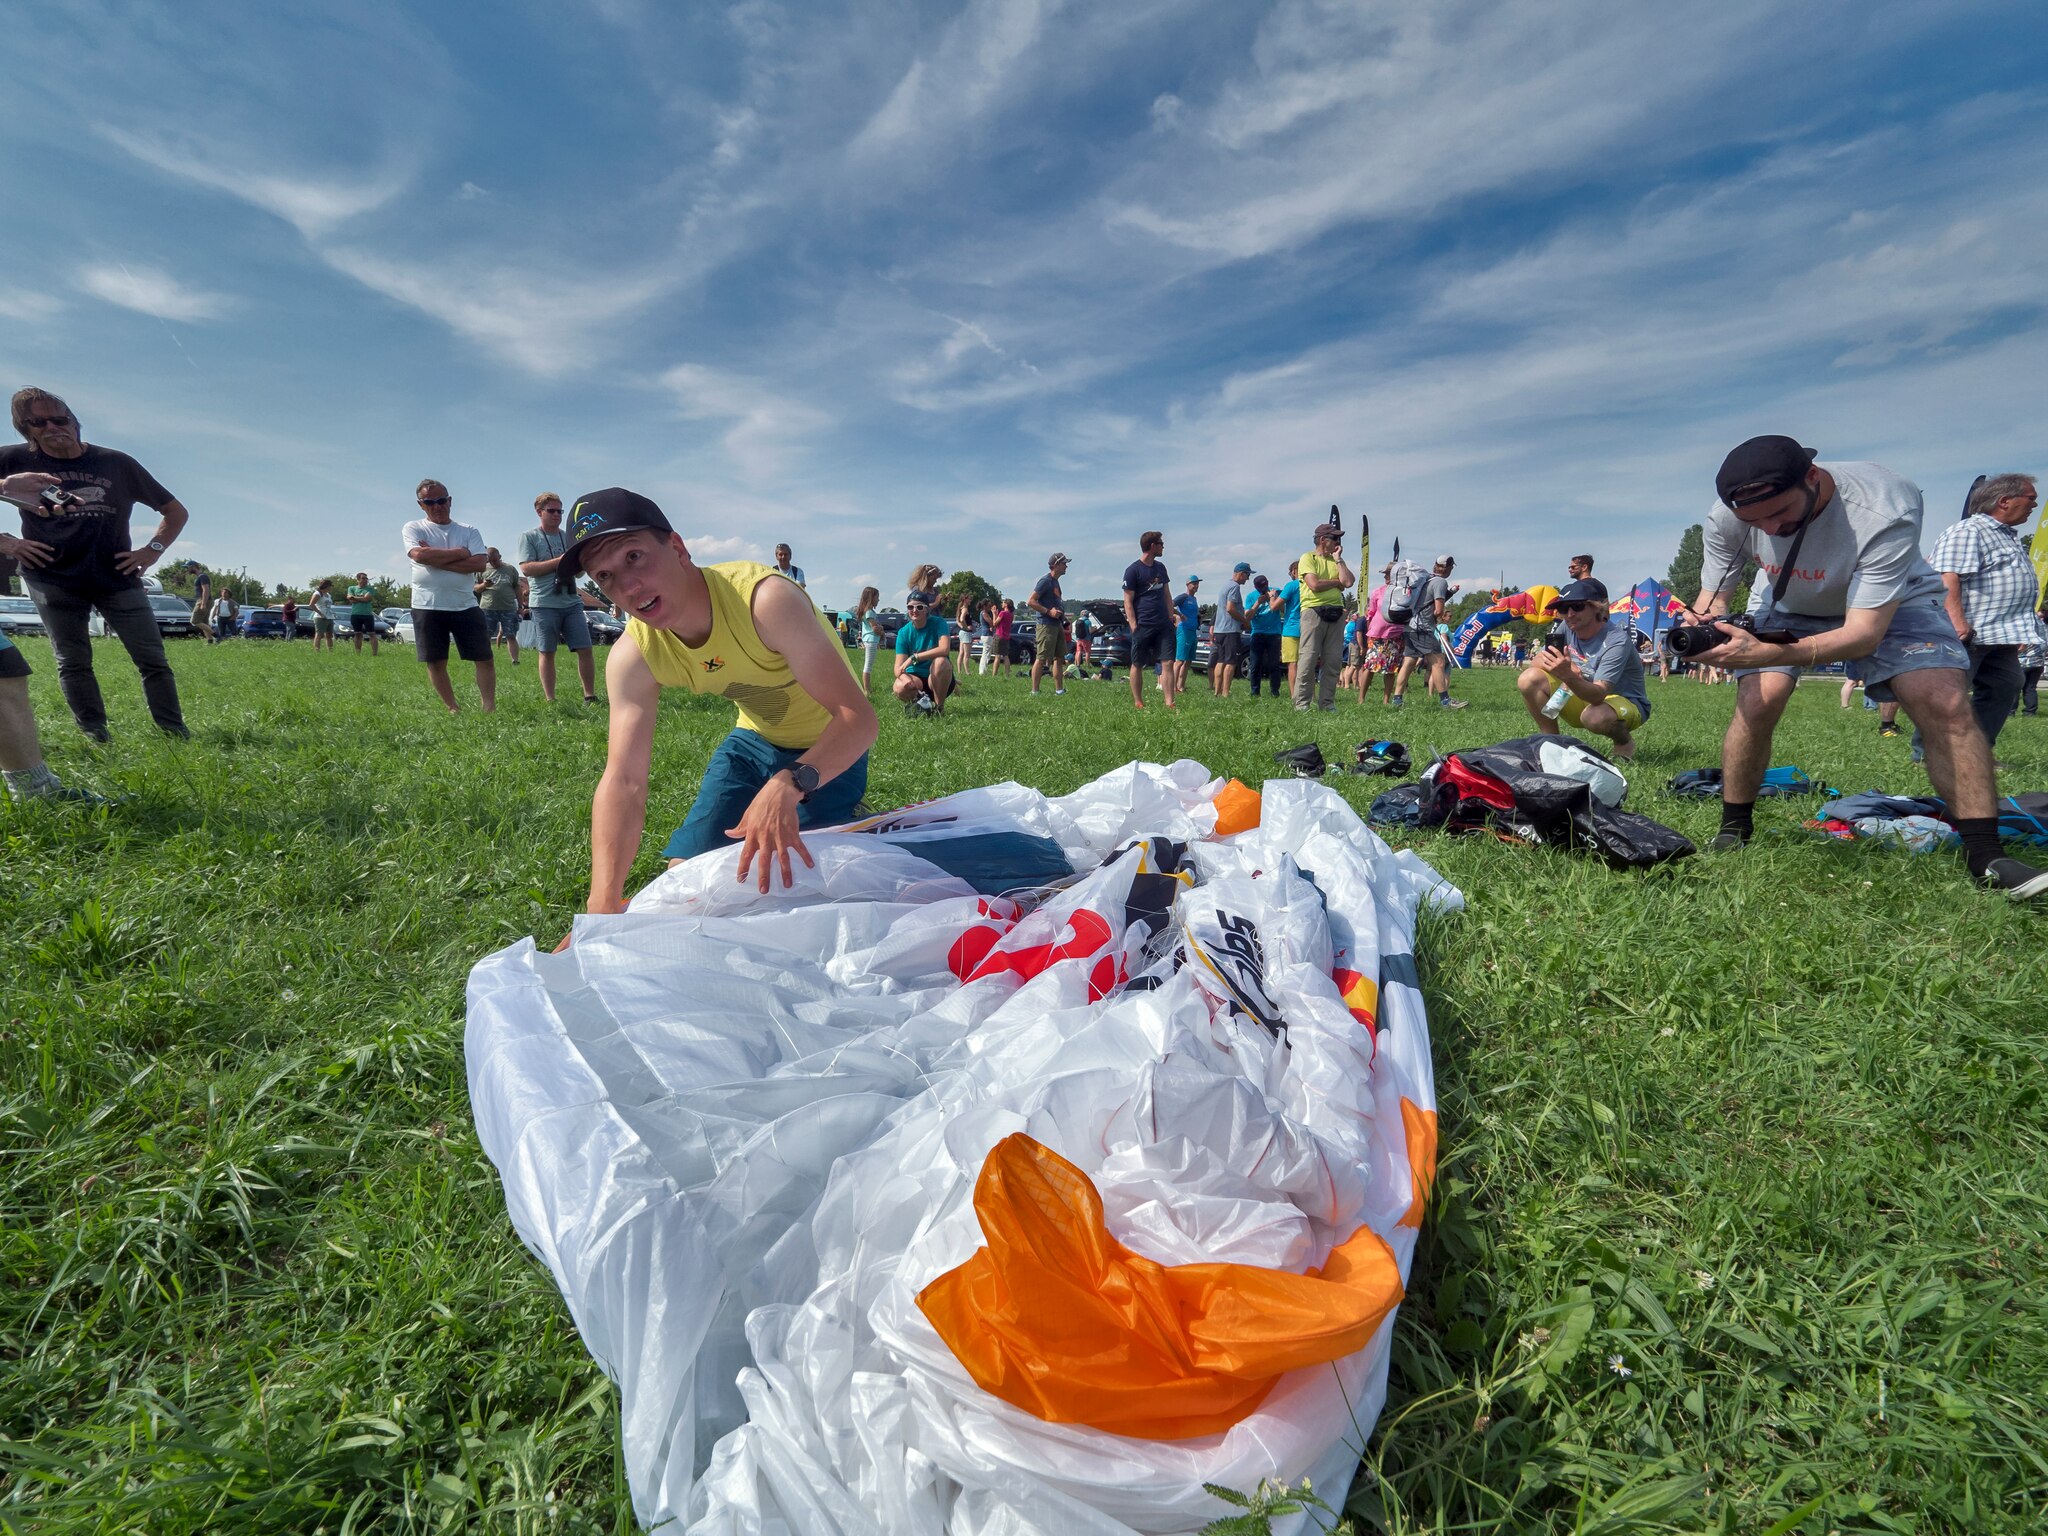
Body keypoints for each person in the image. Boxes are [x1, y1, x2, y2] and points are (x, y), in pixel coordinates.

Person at [1687, 435, 2046, 898]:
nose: (1771, 529)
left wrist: (1775, 653)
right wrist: (1704, 627)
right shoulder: (1726, 517)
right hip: (1785, 602)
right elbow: (1714, 596)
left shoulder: (1886, 505)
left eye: (1780, 513)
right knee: (1760, 700)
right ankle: (1734, 828)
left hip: (1890, 603)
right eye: (1753, 521)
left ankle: (1987, 856)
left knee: (1942, 700)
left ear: (1812, 479)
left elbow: (1862, 633)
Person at [552, 488, 876, 915]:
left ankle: (851, 818)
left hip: (832, 746)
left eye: (633, 556)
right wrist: (602, 903)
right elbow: (624, 779)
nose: (627, 587)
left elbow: (859, 721)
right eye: (605, 577)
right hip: (753, 742)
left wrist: (789, 783)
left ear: (677, 547)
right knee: (688, 877)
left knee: (797, 884)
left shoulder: (763, 600)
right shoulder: (634, 655)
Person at [0, 388, 190, 741]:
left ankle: (174, 731)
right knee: (72, 661)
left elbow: (175, 511)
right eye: (38, 422)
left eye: (60, 418)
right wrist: (7, 543)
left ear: (74, 422)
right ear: (26, 430)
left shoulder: (116, 463)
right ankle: (95, 735)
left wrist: (152, 550)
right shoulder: (11, 461)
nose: (53, 427)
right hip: (52, 577)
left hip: (117, 576)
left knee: (152, 659)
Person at [1924, 473, 2038, 757]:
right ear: (2004, 501)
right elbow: (1946, 576)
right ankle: (1928, 756)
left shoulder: (2006, 536)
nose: (2034, 505)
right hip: (1970, 632)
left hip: (1999, 634)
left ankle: (1977, 754)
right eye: (2031, 499)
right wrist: (1957, 621)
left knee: (2006, 685)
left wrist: (2019, 632)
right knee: (1950, 696)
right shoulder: (1968, 531)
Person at [1516, 578, 1649, 760]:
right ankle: (1552, 742)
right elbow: (1537, 662)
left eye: (1577, 606)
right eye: (1563, 609)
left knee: (1595, 717)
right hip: (1581, 692)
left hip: (1621, 701)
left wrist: (1570, 676)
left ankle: (1624, 742)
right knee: (1529, 678)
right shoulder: (1568, 627)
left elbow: (1598, 695)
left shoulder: (1616, 640)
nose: (1569, 614)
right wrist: (1569, 671)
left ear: (1596, 607)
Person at [402, 478, 494, 714]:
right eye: (429, 502)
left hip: (465, 604)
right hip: (427, 605)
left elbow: (480, 563)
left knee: (484, 658)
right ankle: (453, 708)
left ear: (450, 501)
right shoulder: (413, 528)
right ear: (421, 504)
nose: (437, 506)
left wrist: (436, 558)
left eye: (441, 500)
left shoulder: (468, 531)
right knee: (436, 661)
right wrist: (461, 554)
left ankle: (489, 708)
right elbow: (419, 556)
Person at [517, 492, 599, 704]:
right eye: (551, 511)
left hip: (571, 601)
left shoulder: (569, 537)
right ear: (539, 512)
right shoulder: (529, 537)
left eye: (559, 511)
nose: (556, 515)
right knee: (547, 651)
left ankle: (590, 695)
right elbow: (527, 568)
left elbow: (579, 573)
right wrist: (560, 561)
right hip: (544, 603)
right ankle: (550, 699)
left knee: (585, 649)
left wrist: (581, 561)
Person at [1292, 518, 1353, 712]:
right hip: (1313, 612)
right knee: (1308, 659)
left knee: (1333, 660)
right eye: (1334, 538)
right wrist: (1336, 583)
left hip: (1335, 613)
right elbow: (1314, 585)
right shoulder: (1307, 558)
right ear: (1321, 539)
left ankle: (1327, 704)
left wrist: (1338, 560)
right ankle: (1302, 704)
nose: (1338, 542)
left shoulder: (1335, 560)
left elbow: (1348, 582)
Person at [1391, 555, 1466, 709]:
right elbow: (1438, 610)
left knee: (1409, 662)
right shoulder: (1440, 582)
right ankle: (1446, 701)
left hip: (1410, 626)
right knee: (1438, 662)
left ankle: (1397, 699)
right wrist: (1436, 618)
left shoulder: (1427, 579)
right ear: (1449, 568)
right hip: (1423, 628)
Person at [1121, 530, 1177, 710]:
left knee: (1167, 662)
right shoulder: (1133, 570)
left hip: (1163, 624)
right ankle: (1138, 701)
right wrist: (1134, 625)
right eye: (1161, 543)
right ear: (1152, 546)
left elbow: (1167, 594)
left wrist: (1171, 617)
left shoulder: (1161, 568)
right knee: (1137, 663)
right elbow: (1127, 601)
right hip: (1143, 624)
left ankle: (1169, 702)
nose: (1163, 547)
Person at [894, 594, 955, 714]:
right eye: (910, 607)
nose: (914, 610)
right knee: (898, 686)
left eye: (919, 607)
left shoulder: (939, 623)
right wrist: (906, 679)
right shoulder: (903, 632)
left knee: (941, 661)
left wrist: (915, 657)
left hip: (936, 679)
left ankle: (939, 708)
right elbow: (898, 667)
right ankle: (922, 704)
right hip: (916, 680)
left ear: (927, 609)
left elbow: (944, 649)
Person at [474, 547, 524, 668]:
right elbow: (476, 588)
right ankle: (484, 660)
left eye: (495, 560)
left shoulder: (510, 569)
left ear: (500, 557)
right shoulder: (482, 569)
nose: (493, 563)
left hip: (508, 607)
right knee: (485, 635)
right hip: (488, 607)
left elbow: (517, 587)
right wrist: (484, 585)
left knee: (511, 635)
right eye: (490, 560)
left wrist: (521, 605)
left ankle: (515, 661)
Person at [1358, 572, 1404, 704]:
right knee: (1369, 666)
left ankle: (1386, 700)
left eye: (1389, 575)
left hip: (1395, 634)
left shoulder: (1404, 593)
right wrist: (1369, 633)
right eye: (1386, 576)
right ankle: (1361, 698)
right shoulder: (1377, 592)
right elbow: (1370, 614)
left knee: (1391, 669)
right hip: (1376, 634)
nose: (1387, 578)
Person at [1029, 553, 1070, 696]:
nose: (1066, 566)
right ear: (1056, 565)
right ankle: (1035, 691)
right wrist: (1048, 611)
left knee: (1059, 657)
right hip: (1045, 625)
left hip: (1056, 624)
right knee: (1041, 658)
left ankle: (1059, 690)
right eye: (1064, 563)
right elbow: (1031, 601)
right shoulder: (1045, 581)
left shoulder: (1055, 582)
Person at [1210, 561, 1250, 696]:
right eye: (1247, 574)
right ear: (1241, 574)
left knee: (1220, 660)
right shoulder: (1235, 587)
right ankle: (1226, 693)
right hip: (1230, 630)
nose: (1248, 578)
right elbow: (1230, 608)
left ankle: (1217, 691)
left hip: (1219, 630)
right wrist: (1244, 621)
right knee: (1231, 661)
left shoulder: (1225, 585)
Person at [1246, 574, 1285, 697]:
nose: (1264, 589)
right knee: (1256, 663)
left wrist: (1274, 598)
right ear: (1256, 587)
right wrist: (1258, 603)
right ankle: (1255, 691)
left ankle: (1275, 691)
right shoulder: (1251, 596)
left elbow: (1284, 609)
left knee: (1274, 664)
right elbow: (1247, 616)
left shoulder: (1275, 591)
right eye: (1261, 587)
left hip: (1274, 634)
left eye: (1266, 585)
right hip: (1257, 633)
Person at [1172, 576, 1201, 694]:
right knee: (1180, 660)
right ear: (1188, 585)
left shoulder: (1194, 599)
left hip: (1193, 631)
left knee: (1188, 660)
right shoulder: (1183, 597)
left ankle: (1181, 685)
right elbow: (1171, 604)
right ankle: (1173, 687)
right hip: (1184, 630)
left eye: (1197, 584)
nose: (1196, 586)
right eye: (1194, 584)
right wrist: (1180, 615)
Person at [1279, 561, 1303, 692]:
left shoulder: (1291, 586)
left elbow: (1275, 606)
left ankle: (1295, 695)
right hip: (1307, 628)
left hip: (1291, 629)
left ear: (1294, 571)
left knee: (1292, 664)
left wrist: (1272, 597)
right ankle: (1310, 695)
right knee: (1306, 664)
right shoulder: (1310, 585)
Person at [851, 586, 882, 689]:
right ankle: (867, 690)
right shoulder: (869, 612)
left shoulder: (869, 611)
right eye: (877, 597)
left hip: (870, 640)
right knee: (868, 666)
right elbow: (874, 628)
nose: (878, 599)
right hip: (871, 640)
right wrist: (882, 632)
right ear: (871, 598)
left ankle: (868, 689)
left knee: (868, 666)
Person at [346, 573, 380, 655]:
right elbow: (350, 599)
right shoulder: (352, 588)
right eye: (363, 578)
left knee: (372, 634)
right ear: (358, 579)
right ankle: (358, 653)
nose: (366, 580)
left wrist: (355, 598)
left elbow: (367, 599)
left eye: (366, 578)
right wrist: (360, 598)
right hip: (355, 614)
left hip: (367, 614)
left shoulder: (370, 589)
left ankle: (374, 654)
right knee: (357, 634)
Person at [991, 598, 1015, 680]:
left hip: (999, 635)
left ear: (1006, 604)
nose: (1002, 604)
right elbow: (1003, 624)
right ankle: (1007, 674)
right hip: (1006, 636)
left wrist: (994, 614)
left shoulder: (1003, 613)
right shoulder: (1011, 615)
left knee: (997, 656)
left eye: (1003, 602)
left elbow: (995, 624)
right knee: (1005, 655)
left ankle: (994, 675)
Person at [311, 579, 337, 652]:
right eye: (330, 586)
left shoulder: (328, 595)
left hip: (329, 617)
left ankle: (330, 652)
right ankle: (317, 651)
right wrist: (321, 614)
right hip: (320, 617)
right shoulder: (317, 594)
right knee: (319, 634)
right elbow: (311, 605)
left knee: (329, 635)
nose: (331, 588)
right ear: (326, 586)